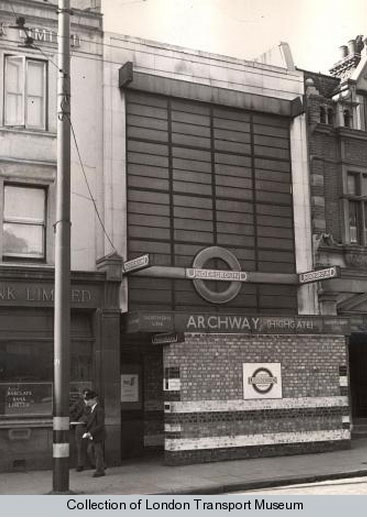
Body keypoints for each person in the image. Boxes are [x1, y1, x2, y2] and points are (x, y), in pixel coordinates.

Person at [83, 390, 106, 478]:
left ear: (94, 400)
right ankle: (101, 466)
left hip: (98, 435)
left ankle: (100, 470)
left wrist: (90, 433)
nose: (87, 402)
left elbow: (100, 425)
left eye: (88, 400)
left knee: (97, 453)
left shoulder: (99, 410)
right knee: (91, 451)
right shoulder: (92, 410)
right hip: (93, 435)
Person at [69, 388, 91, 472]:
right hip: (81, 425)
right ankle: (80, 464)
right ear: (82, 395)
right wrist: (73, 420)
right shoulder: (79, 403)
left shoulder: (94, 402)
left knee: (92, 446)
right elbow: (70, 410)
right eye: (85, 394)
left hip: (91, 426)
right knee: (80, 446)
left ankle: (94, 463)